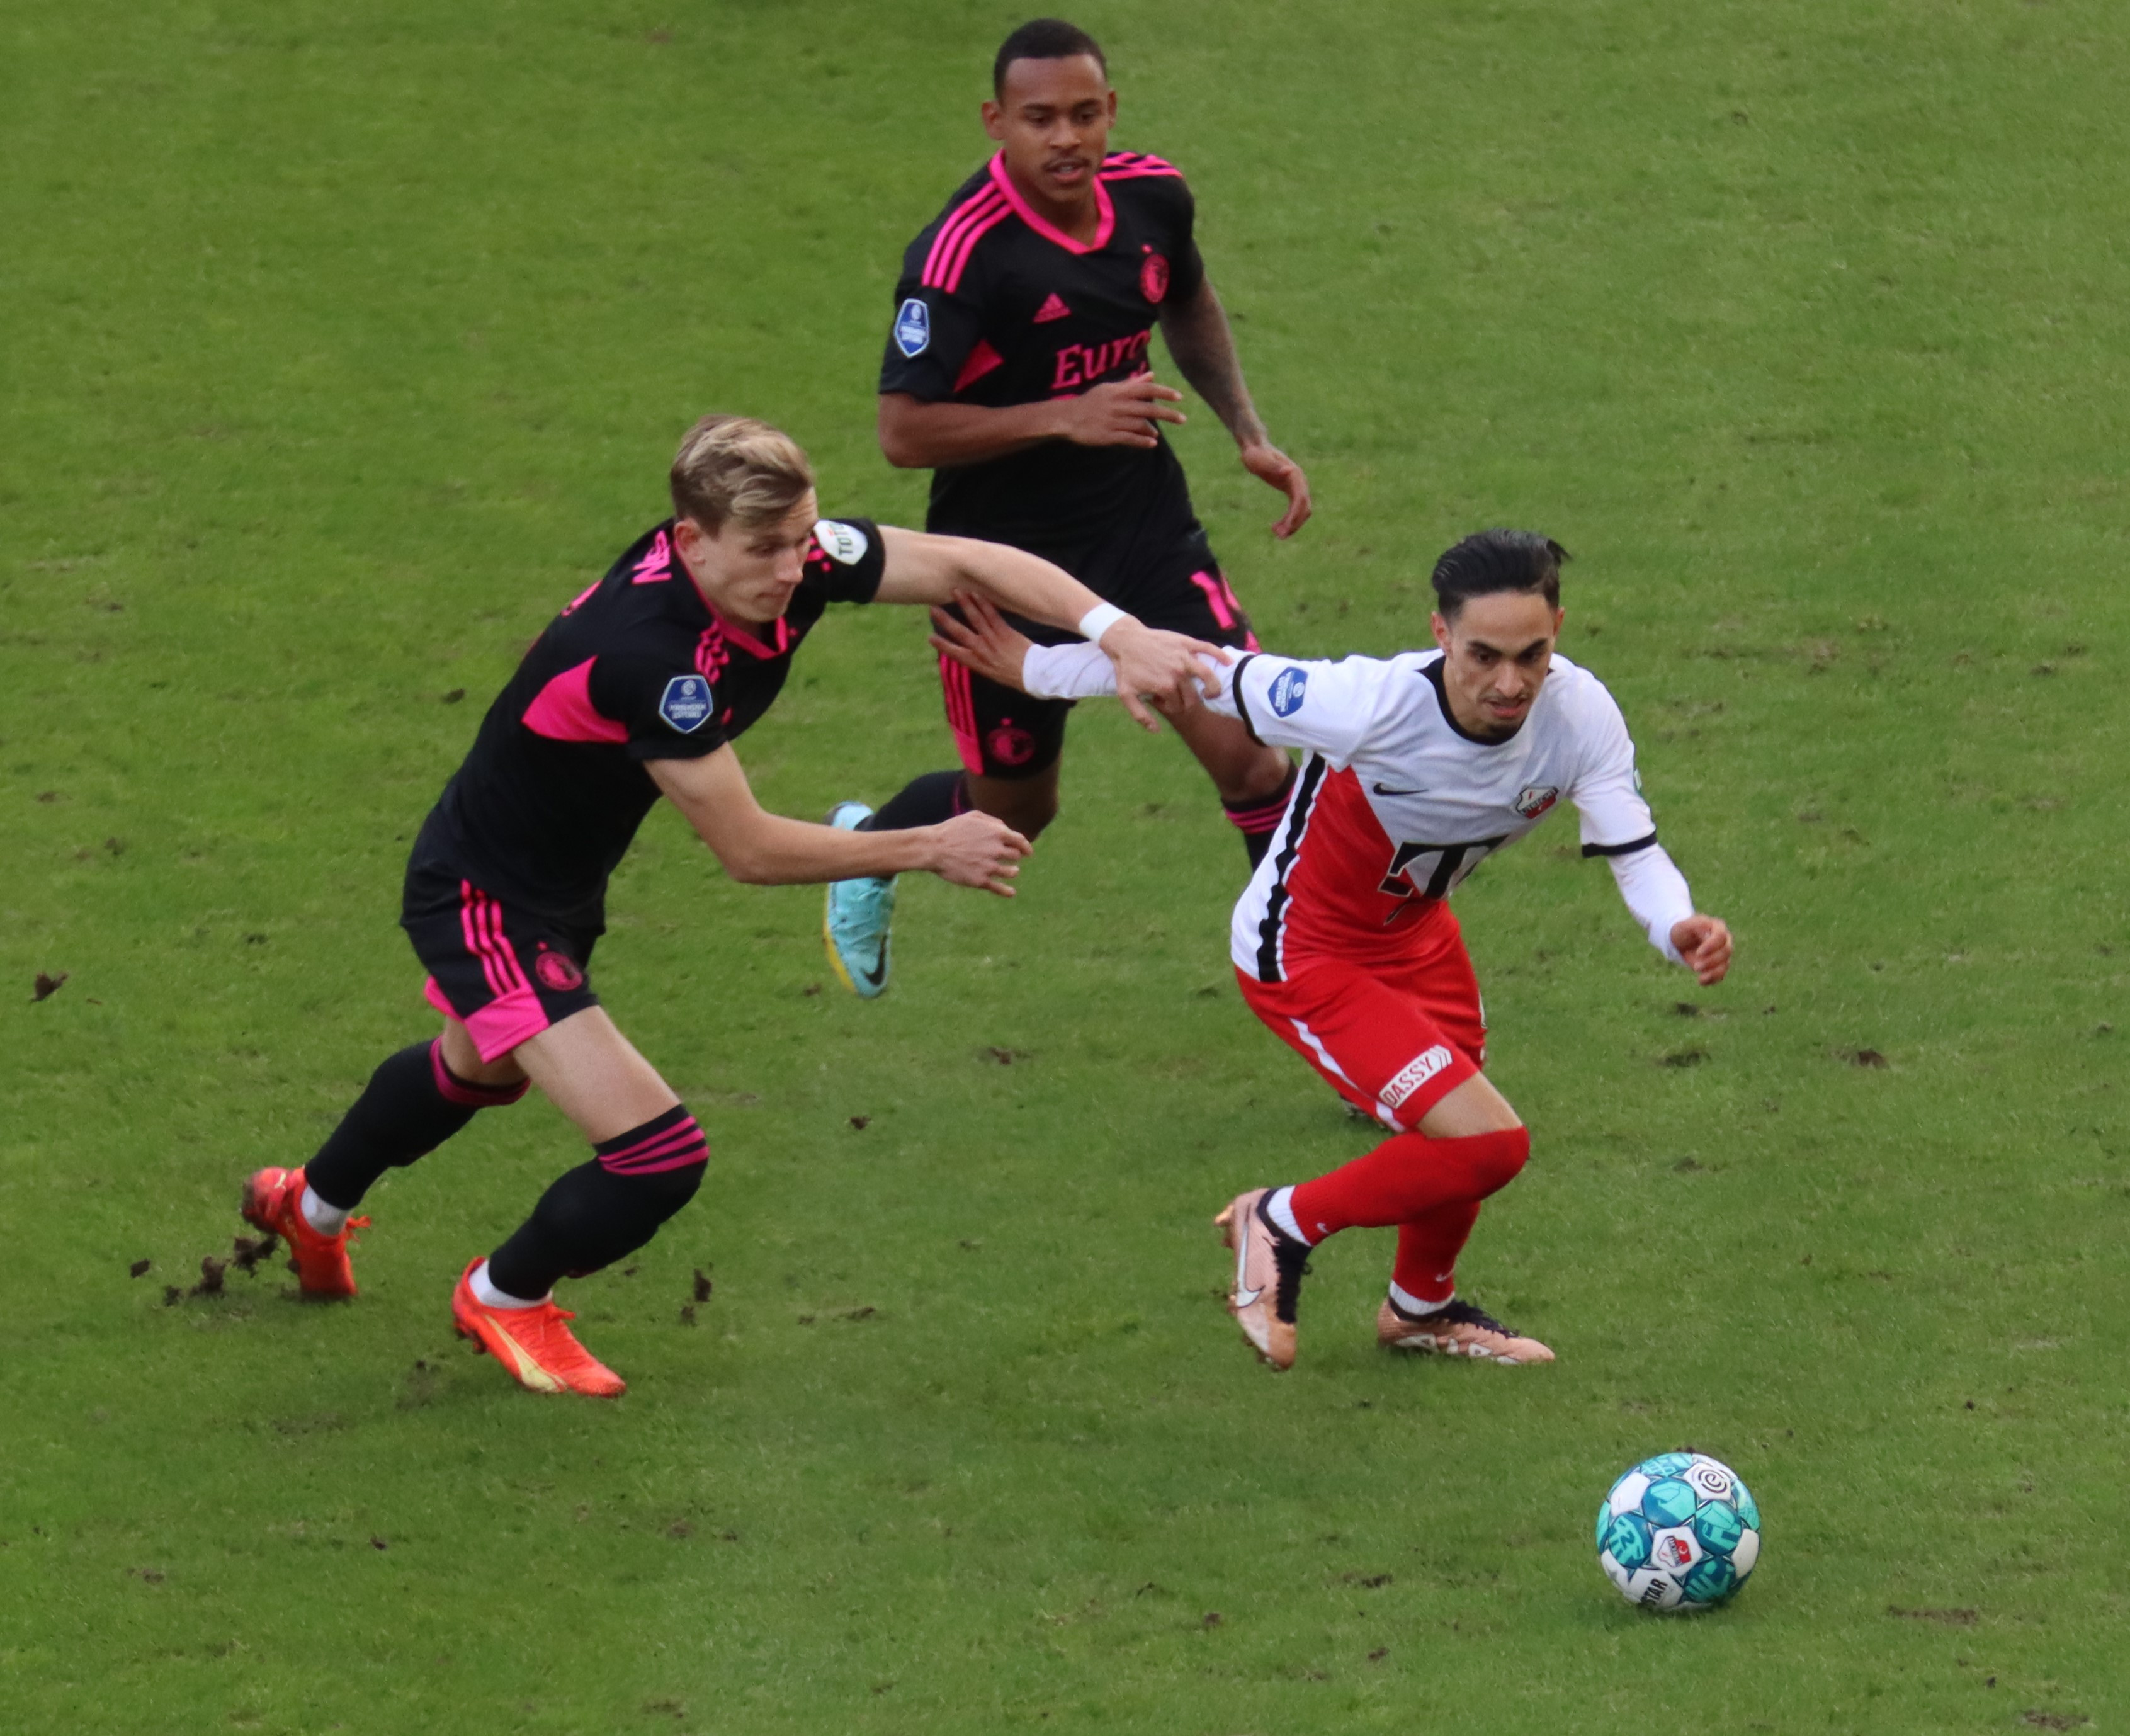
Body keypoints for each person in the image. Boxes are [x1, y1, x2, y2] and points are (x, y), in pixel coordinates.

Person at [239, 414, 1216, 1397]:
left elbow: (975, 559)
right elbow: (747, 850)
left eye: (803, 539)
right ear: (691, 538)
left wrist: (1118, 633)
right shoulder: (653, 662)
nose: (794, 569)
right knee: (658, 1155)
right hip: (484, 899)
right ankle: (503, 1293)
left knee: (480, 1068)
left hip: (554, 876)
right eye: (765, 551)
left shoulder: (791, 554)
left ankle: (308, 1205)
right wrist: (924, 843)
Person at [931, 530, 1735, 1371]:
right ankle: (1279, 1222)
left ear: (1559, 629)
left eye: (1532, 653)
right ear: (1440, 634)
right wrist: (1034, 670)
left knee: (1454, 1131)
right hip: (1306, 950)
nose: (1510, 682)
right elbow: (1184, 666)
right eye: (1484, 655)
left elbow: (1633, 849)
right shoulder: (1364, 702)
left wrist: (1675, 925)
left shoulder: (1581, 715)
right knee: (1489, 1142)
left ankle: (1420, 1310)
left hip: (1417, 935)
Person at [819, 16, 1313, 999]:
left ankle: (1314, 987)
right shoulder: (961, 256)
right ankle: (874, 846)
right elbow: (902, 432)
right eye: (1039, 118)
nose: (1065, 139)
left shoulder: (1151, 195)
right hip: (1000, 567)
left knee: (1255, 765)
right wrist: (1064, 416)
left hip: (1144, 532)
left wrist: (1246, 430)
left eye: (1085, 115)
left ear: (1112, 111)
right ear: (996, 120)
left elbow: (1187, 298)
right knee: (1016, 811)